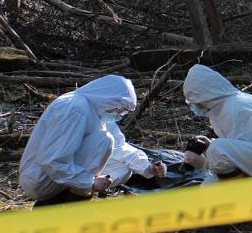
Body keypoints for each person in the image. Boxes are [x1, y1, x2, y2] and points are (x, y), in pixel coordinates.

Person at [19, 74, 165, 206]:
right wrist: (89, 182)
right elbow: (52, 160)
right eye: (119, 109)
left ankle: (70, 198)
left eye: (123, 112)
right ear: (108, 99)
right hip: (39, 178)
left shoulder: (94, 111)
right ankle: (67, 207)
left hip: (54, 175)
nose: (119, 114)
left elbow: (119, 147)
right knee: (104, 141)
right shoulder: (75, 109)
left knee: (123, 168)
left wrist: (148, 167)